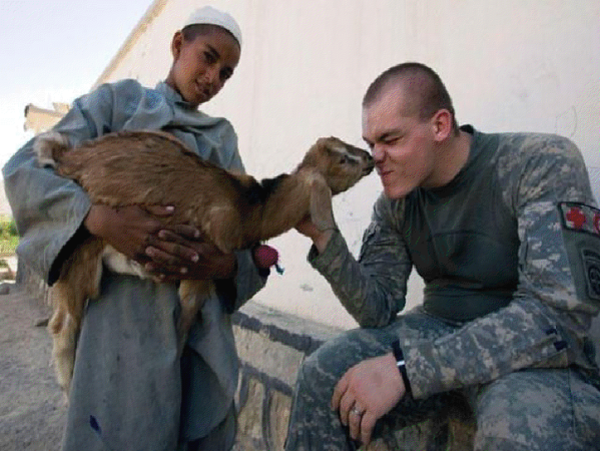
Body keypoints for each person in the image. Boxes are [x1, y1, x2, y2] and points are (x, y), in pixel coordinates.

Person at [285, 62, 600, 450]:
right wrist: (325, 237)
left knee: (520, 431)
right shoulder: (395, 204)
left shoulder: (539, 163)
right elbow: (377, 308)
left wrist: (407, 370)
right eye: (371, 145)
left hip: (533, 358)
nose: (376, 158)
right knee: (323, 375)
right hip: (436, 330)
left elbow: (558, 317)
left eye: (391, 139)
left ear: (439, 126)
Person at [3, 6, 270, 451]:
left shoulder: (222, 140)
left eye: (226, 73)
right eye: (207, 57)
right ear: (178, 44)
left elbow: (246, 235)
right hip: (119, 321)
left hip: (196, 332)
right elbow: (25, 168)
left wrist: (222, 264)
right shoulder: (117, 105)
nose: (212, 77)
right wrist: (99, 219)